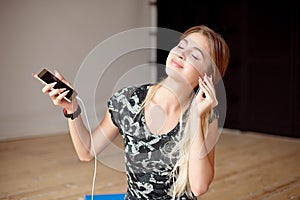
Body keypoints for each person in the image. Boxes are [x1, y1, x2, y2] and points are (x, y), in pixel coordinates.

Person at [33, 25, 230, 200]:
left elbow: (199, 187)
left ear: (208, 77)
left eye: (195, 55)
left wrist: (195, 119)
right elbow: (86, 151)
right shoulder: (128, 101)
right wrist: (72, 108)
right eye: (181, 46)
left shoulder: (206, 117)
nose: (181, 54)